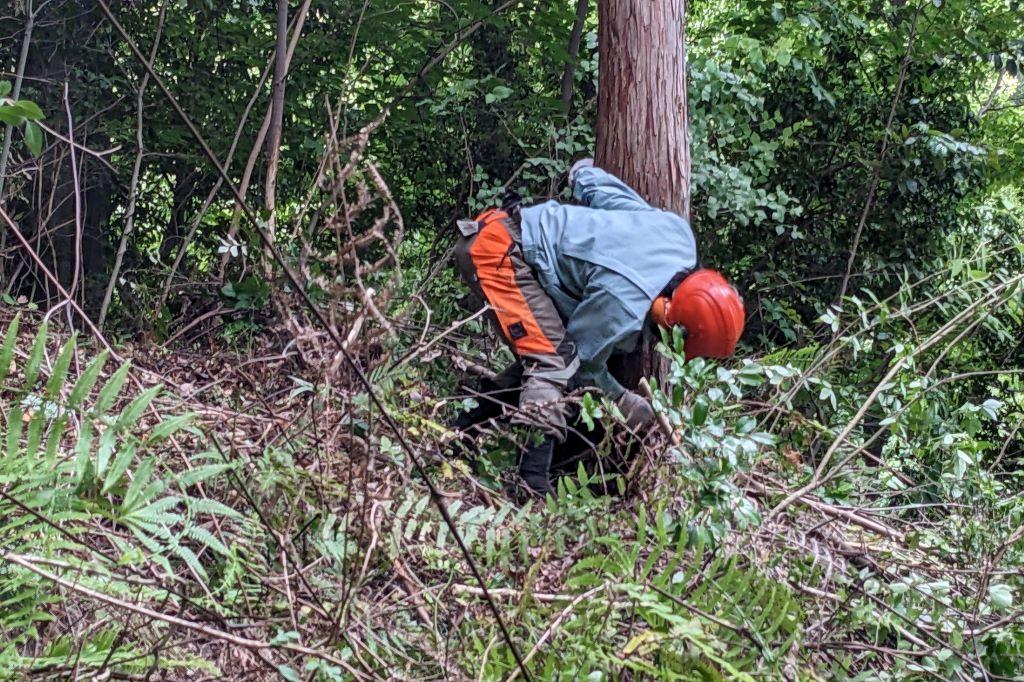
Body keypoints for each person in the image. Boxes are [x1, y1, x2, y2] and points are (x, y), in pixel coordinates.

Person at [453, 159, 745, 495]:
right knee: (555, 364)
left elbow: (618, 200)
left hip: (504, 236)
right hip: (497, 255)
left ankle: (459, 431)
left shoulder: (679, 239)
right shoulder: (622, 304)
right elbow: (584, 365)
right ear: (671, 319)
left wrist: (583, 174)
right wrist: (626, 403)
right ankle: (529, 482)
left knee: (546, 354)